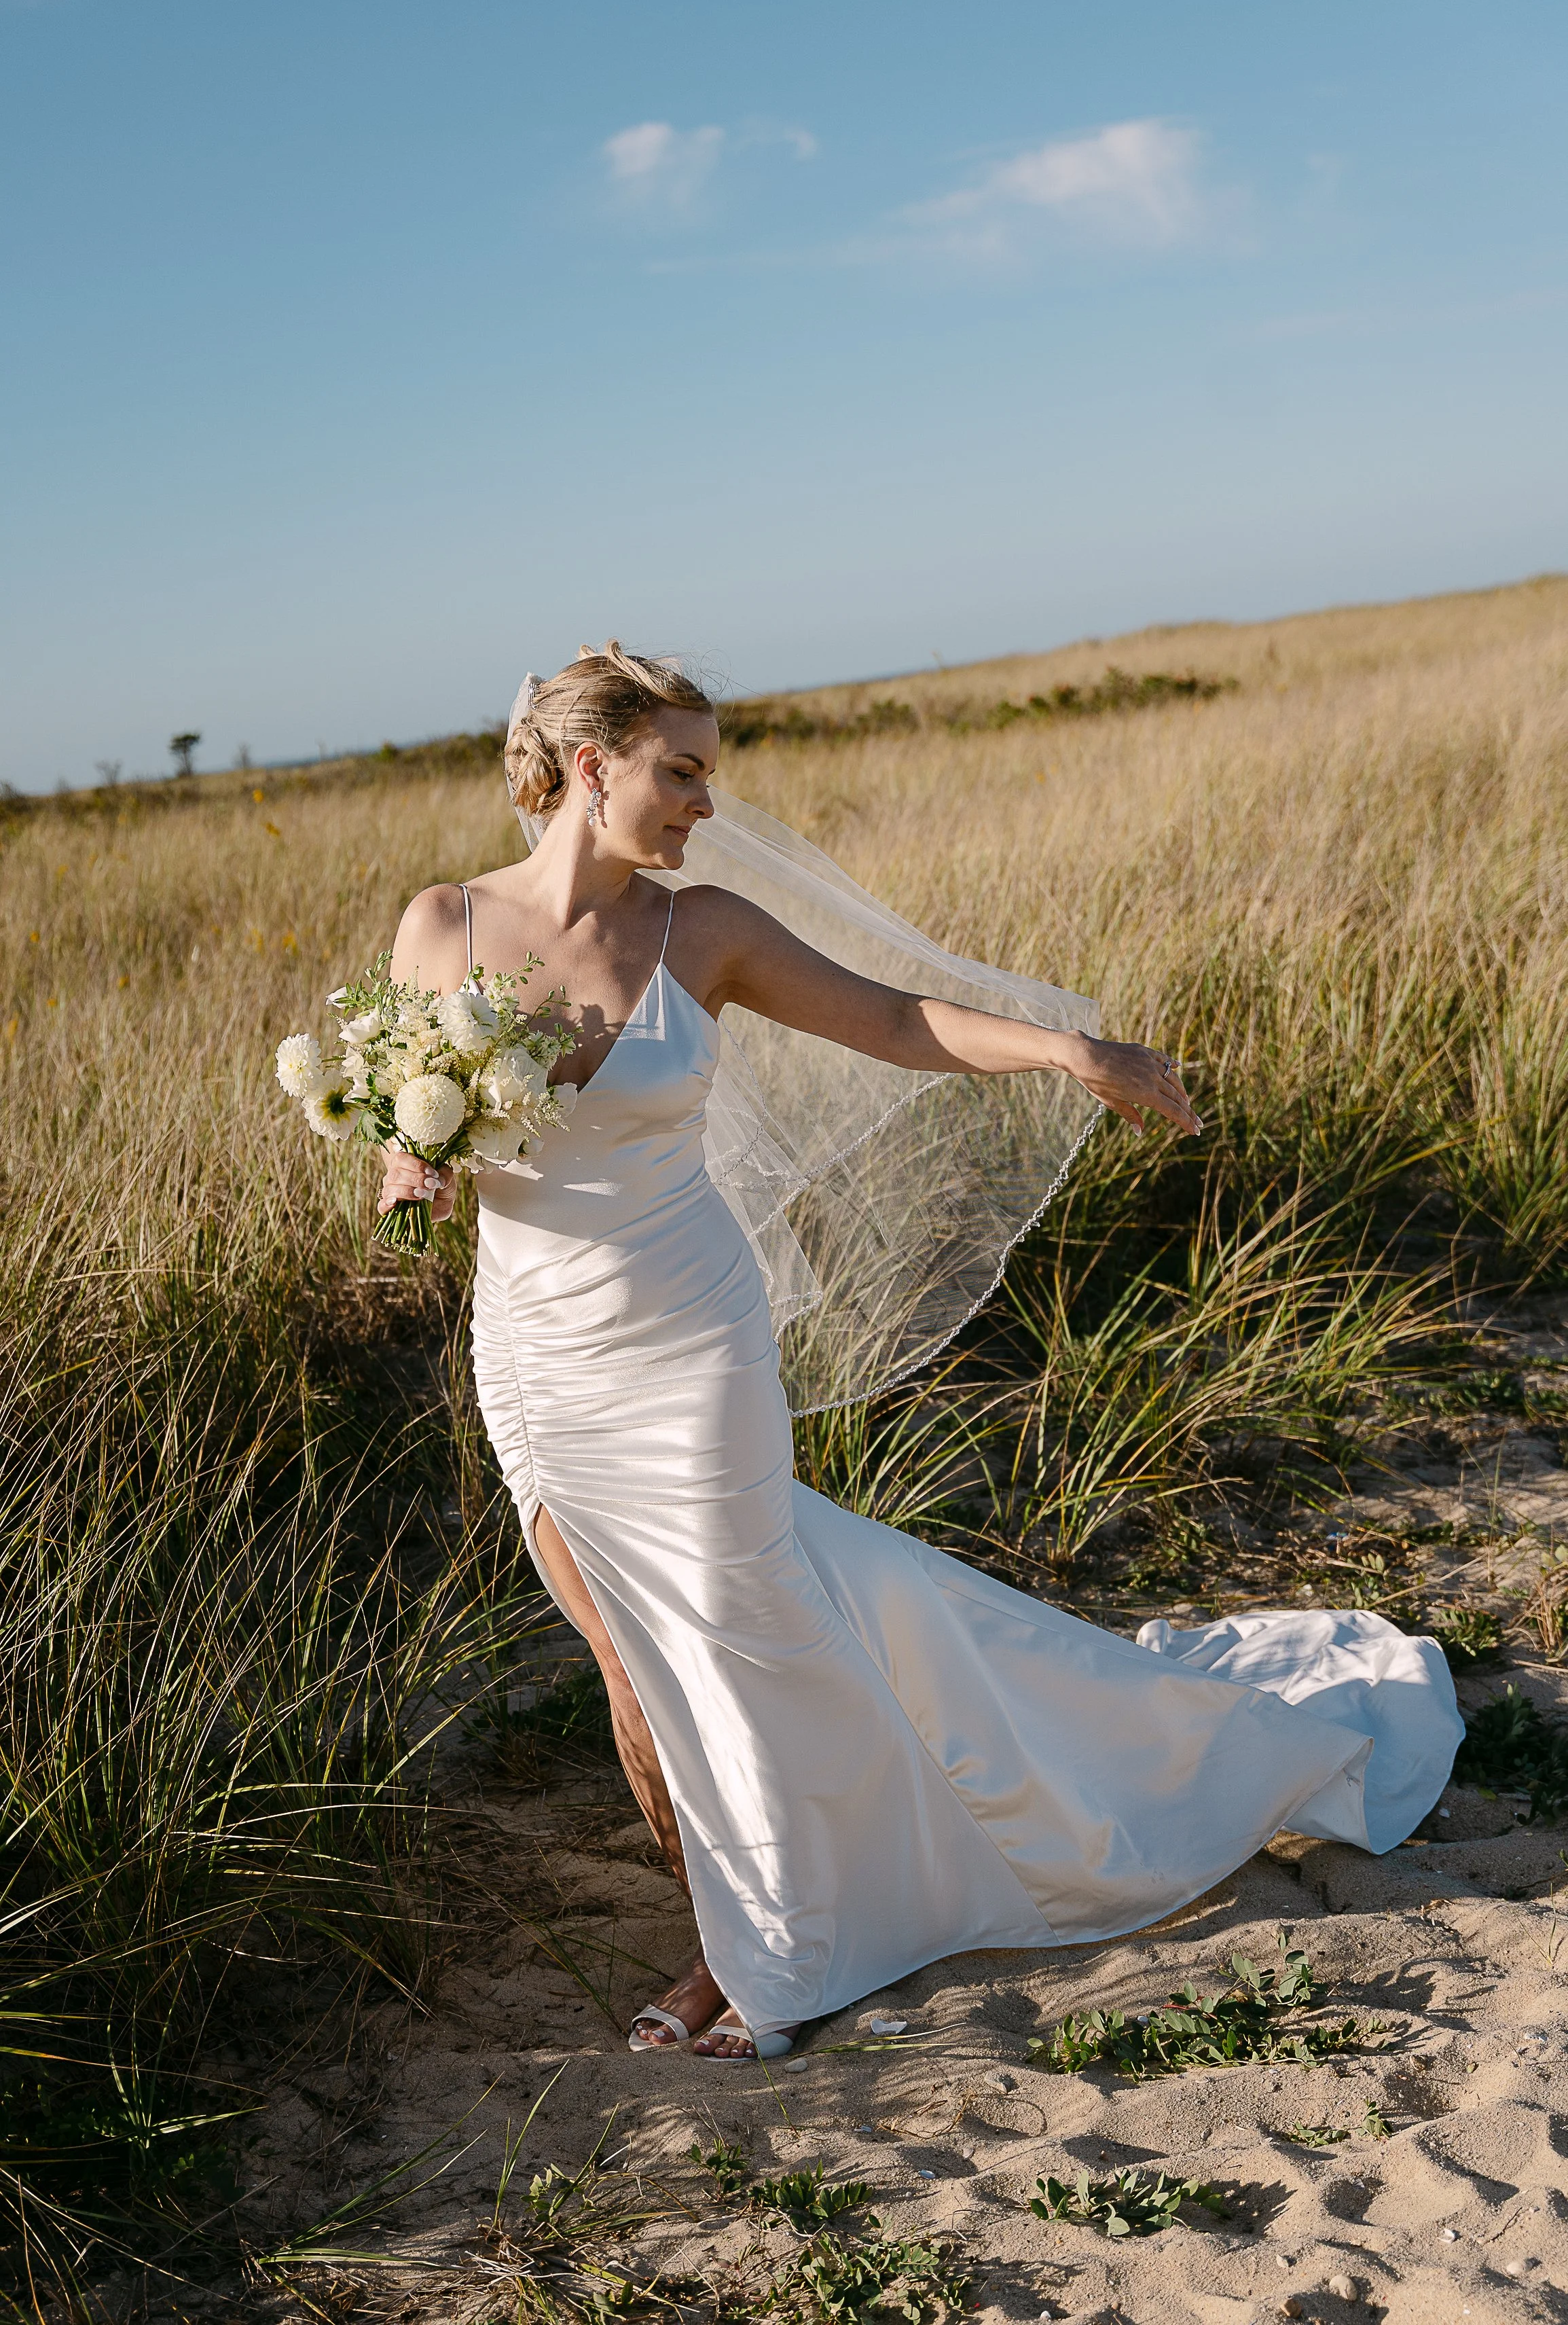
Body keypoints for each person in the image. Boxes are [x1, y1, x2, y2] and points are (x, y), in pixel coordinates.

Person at [381, 642, 1461, 2062]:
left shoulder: (699, 931)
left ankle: (744, 1956)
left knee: (737, 1631)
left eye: (709, 771)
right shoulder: (441, 925)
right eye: (682, 769)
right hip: (532, 1350)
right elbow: (403, 1106)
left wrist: (1068, 1051)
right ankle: (741, 1918)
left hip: (686, 1340)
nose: (704, 799)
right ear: (593, 767)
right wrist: (409, 1162)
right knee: (625, 1659)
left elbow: (892, 1019)